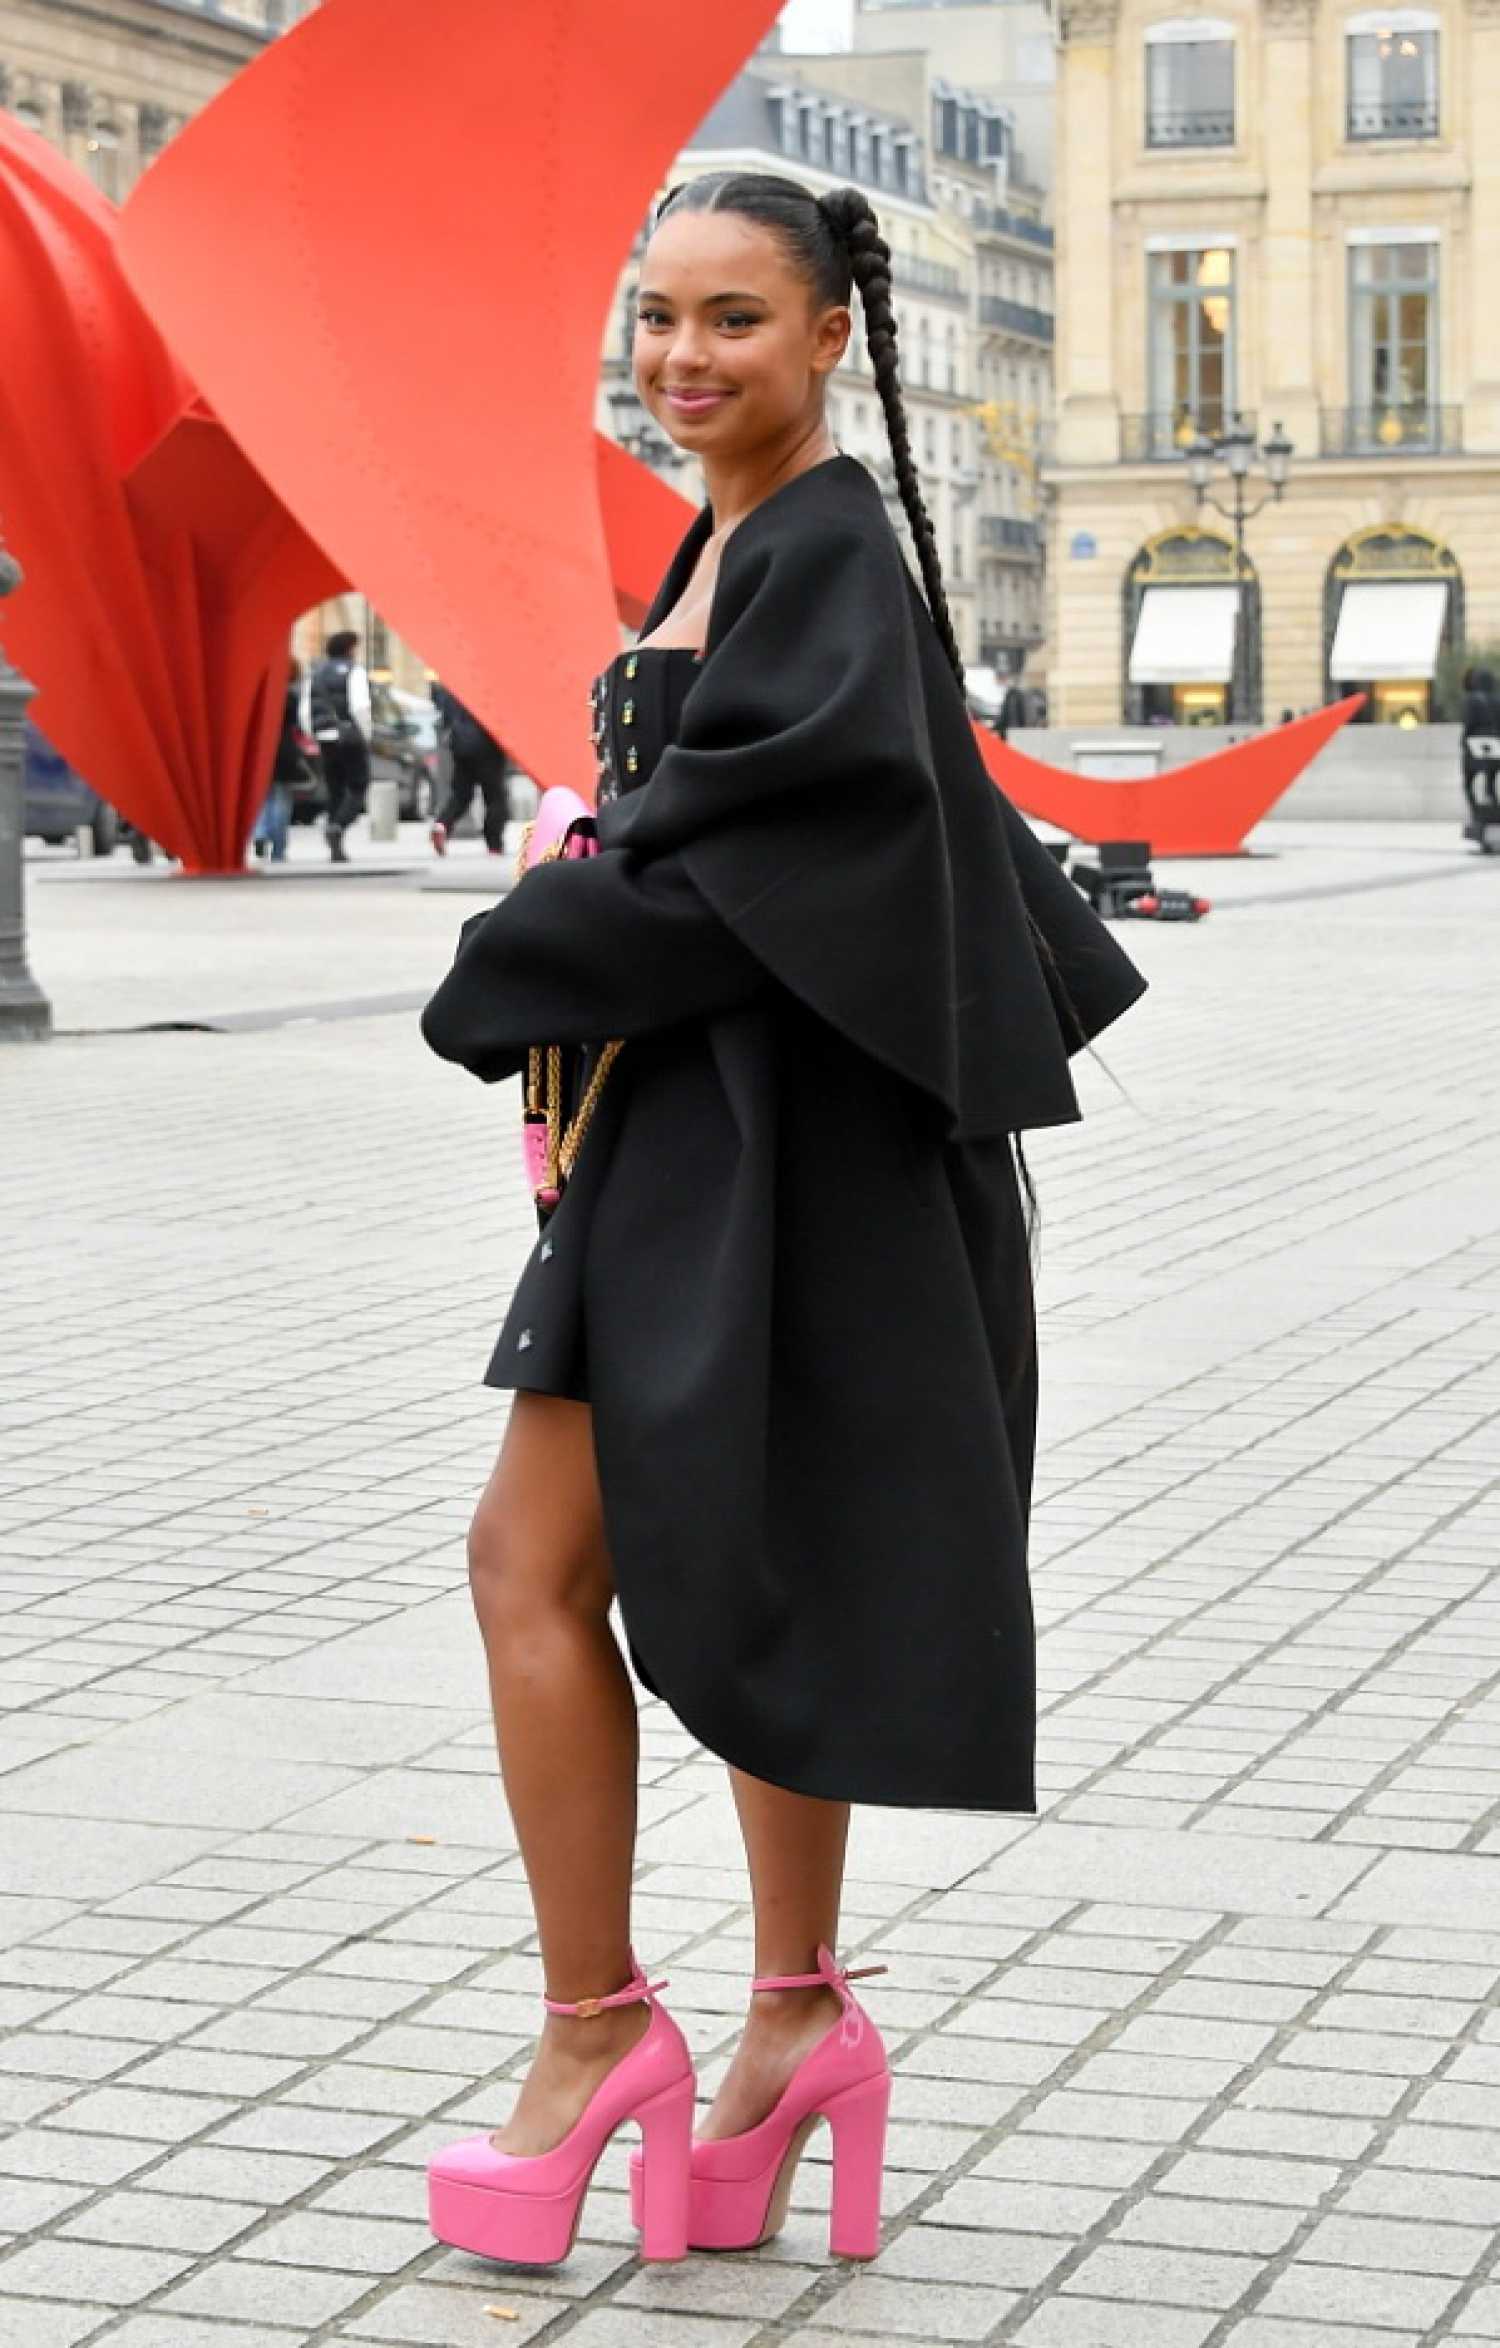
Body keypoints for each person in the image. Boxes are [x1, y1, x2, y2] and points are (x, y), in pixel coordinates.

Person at [417, 171, 1148, 2268]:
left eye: (733, 320)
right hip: (718, 1140)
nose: (680, 359)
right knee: (730, 1556)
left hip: (764, 1148)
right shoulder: (749, 534)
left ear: (830, 336)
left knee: (539, 1561)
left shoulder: (817, 545)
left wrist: (503, 962)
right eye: (656, 317)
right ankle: (796, 2020)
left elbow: (732, 871)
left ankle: (592, 2042)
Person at [302, 628, 372, 862]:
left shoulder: (315, 673)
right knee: (358, 786)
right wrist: (365, 733)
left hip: (325, 737)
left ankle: (336, 843)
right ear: (350, 648)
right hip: (349, 736)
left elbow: (305, 710)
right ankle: (338, 826)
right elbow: (360, 706)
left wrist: (313, 733)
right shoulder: (354, 671)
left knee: (335, 789)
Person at [429, 680, 511, 855]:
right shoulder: (489, 684)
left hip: (460, 746)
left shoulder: (454, 684)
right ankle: (494, 843)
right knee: (495, 797)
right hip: (487, 746)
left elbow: (445, 715)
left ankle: (442, 824)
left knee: (461, 795)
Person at [252, 655, 309, 863]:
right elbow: (299, 725)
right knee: (282, 798)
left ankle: (259, 833)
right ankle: (278, 847)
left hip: (262, 748)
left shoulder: (262, 693)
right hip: (285, 750)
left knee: (262, 798)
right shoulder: (292, 696)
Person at [1461, 665, 1500, 833]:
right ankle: (1494, 816)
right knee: (1490, 783)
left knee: (1469, 782)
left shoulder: (1471, 699)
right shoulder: (1497, 699)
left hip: (1475, 744)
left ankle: (1477, 814)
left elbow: (1469, 724)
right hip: (1495, 744)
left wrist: (1463, 741)